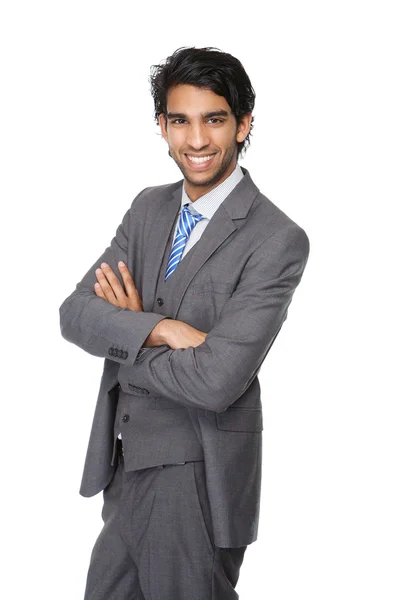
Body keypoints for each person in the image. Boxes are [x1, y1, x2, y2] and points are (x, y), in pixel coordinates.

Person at [59, 45, 310, 600]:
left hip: (197, 474)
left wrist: (127, 335)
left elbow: (218, 380)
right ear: (162, 126)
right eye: (181, 121)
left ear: (244, 124)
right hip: (124, 466)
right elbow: (75, 314)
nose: (196, 140)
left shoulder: (276, 239)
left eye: (214, 119)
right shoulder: (148, 209)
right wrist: (162, 329)